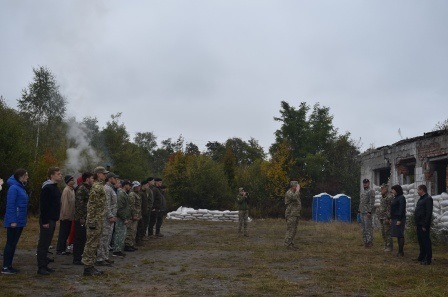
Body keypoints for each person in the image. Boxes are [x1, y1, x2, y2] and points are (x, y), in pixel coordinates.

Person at [2, 169, 29, 274]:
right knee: (10, 243)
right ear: (21, 176)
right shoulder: (14, 188)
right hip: (14, 221)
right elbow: (10, 205)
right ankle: (5, 267)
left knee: (13, 244)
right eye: (26, 175)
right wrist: (13, 220)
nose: (27, 177)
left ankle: (9, 265)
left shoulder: (20, 187)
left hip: (19, 220)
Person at [82, 166, 108, 276]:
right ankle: (88, 267)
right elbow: (92, 205)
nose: (105, 175)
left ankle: (91, 266)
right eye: (103, 173)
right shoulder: (97, 187)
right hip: (95, 221)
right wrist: (92, 221)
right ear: (98, 174)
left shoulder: (100, 187)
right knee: (91, 244)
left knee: (95, 244)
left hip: (99, 220)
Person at [37, 166, 62, 275]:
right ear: (52, 175)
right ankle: (41, 267)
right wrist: (45, 221)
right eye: (58, 174)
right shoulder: (47, 188)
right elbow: (44, 206)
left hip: (53, 219)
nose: (60, 175)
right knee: (43, 244)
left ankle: (45, 265)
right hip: (47, 220)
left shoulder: (55, 187)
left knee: (47, 243)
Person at [95, 172, 118, 267]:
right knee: (103, 238)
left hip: (110, 217)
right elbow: (106, 204)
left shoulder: (110, 188)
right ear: (110, 178)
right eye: (114, 178)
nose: (116, 180)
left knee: (107, 238)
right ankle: (100, 258)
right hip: (106, 218)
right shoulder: (107, 189)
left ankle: (105, 256)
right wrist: (110, 216)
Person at [73, 172, 93, 265]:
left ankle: (81, 256)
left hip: (86, 216)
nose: (93, 180)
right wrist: (81, 217)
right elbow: (79, 204)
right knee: (79, 238)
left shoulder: (87, 188)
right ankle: (76, 258)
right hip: (81, 217)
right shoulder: (82, 188)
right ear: (87, 179)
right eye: (92, 178)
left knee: (84, 238)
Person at [56, 175, 76, 255]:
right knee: (63, 233)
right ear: (68, 181)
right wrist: (65, 215)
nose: (73, 181)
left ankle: (63, 248)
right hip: (66, 216)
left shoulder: (72, 190)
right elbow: (64, 203)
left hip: (70, 215)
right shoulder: (66, 190)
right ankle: (60, 249)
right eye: (72, 180)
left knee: (67, 232)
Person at [415, 184, 433, 265]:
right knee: (421, 241)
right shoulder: (421, 199)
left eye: (418, 190)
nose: (417, 191)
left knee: (425, 241)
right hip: (419, 223)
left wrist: (425, 225)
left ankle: (428, 259)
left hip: (423, 224)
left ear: (422, 190)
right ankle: (421, 256)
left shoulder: (428, 199)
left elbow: (428, 213)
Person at [113, 180, 132, 257]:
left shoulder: (124, 193)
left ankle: (119, 249)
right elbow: (120, 208)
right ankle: (116, 250)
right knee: (119, 234)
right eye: (129, 185)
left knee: (122, 234)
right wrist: (124, 218)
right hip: (121, 217)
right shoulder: (121, 194)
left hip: (123, 217)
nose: (130, 187)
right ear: (125, 185)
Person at [125, 181, 141, 251]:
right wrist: (134, 215)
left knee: (134, 231)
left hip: (136, 215)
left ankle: (131, 244)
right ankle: (127, 245)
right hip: (132, 216)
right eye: (137, 186)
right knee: (130, 230)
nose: (139, 188)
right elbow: (131, 206)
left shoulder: (136, 194)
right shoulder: (132, 194)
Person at [358, 178, 375, 248]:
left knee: (368, 228)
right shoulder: (362, 192)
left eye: (366, 183)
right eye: (364, 183)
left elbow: (372, 202)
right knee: (363, 228)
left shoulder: (371, 191)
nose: (365, 184)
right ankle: (365, 242)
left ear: (369, 183)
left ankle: (369, 242)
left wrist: (370, 211)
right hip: (362, 212)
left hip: (367, 212)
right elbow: (361, 202)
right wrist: (359, 210)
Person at [390, 184, 406, 257]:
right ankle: (399, 251)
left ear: (397, 190)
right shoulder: (395, 198)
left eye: (393, 190)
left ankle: (401, 251)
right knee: (397, 235)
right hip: (394, 218)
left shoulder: (401, 198)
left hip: (399, 218)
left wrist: (399, 219)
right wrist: (391, 218)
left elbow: (401, 209)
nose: (392, 191)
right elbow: (392, 209)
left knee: (400, 235)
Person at [284, 181, 301, 249]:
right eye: (296, 186)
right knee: (290, 229)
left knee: (294, 229)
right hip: (291, 214)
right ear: (293, 186)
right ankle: (287, 244)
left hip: (295, 213)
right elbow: (293, 198)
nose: (297, 187)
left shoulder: (295, 193)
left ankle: (290, 242)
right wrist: (297, 190)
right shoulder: (289, 193)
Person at [377, 183, 393, 251]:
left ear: (386, 189)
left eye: (382, 189)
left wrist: (388, 218)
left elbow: (390, 208)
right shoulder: (382, 197)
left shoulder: (389, 197)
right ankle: (386, 245)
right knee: (383, 232)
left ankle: (389, 246)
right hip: (381, 216)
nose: (381, 190)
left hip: (386, 217)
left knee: (387, 232)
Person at [136, 179, 150, 245]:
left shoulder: (145, 192)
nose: (148, 186)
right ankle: (138, 240)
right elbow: (140, 203)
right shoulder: (141, 193)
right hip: (141, 212)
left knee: (143, 226)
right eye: (147, 185)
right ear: (143, 185)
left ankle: (141, 238)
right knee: (140, 227)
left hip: (145, 212)